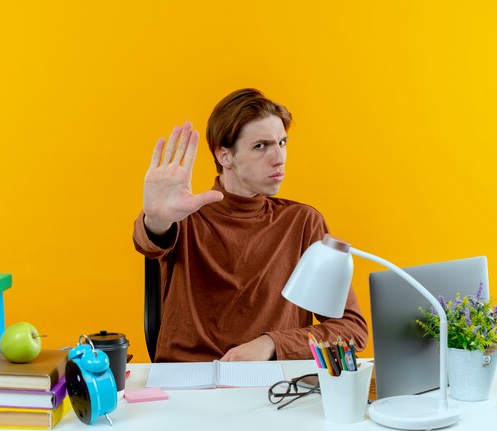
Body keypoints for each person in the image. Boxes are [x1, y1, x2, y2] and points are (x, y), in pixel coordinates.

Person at [133, 88, 367, 362]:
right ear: (224, 156)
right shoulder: (184, 216)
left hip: (273, 387)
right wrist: (157, 219)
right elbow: (148, 240)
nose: (279, 158)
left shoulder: (302, 222)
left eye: (282, 143)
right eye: (261, 146)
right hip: (188, 384)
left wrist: (273, 344)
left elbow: (352, 330)